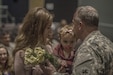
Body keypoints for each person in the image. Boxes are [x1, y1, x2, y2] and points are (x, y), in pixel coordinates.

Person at [13, 7, 56, 75]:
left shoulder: (49, 49)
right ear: (38, 30)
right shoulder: (21, 54)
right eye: (48, 28)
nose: (50, 31)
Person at [71, 6, 113, 75]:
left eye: (73, 23)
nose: (72, 29)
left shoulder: (87, 49)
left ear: (80, 26)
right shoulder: (108, 43)